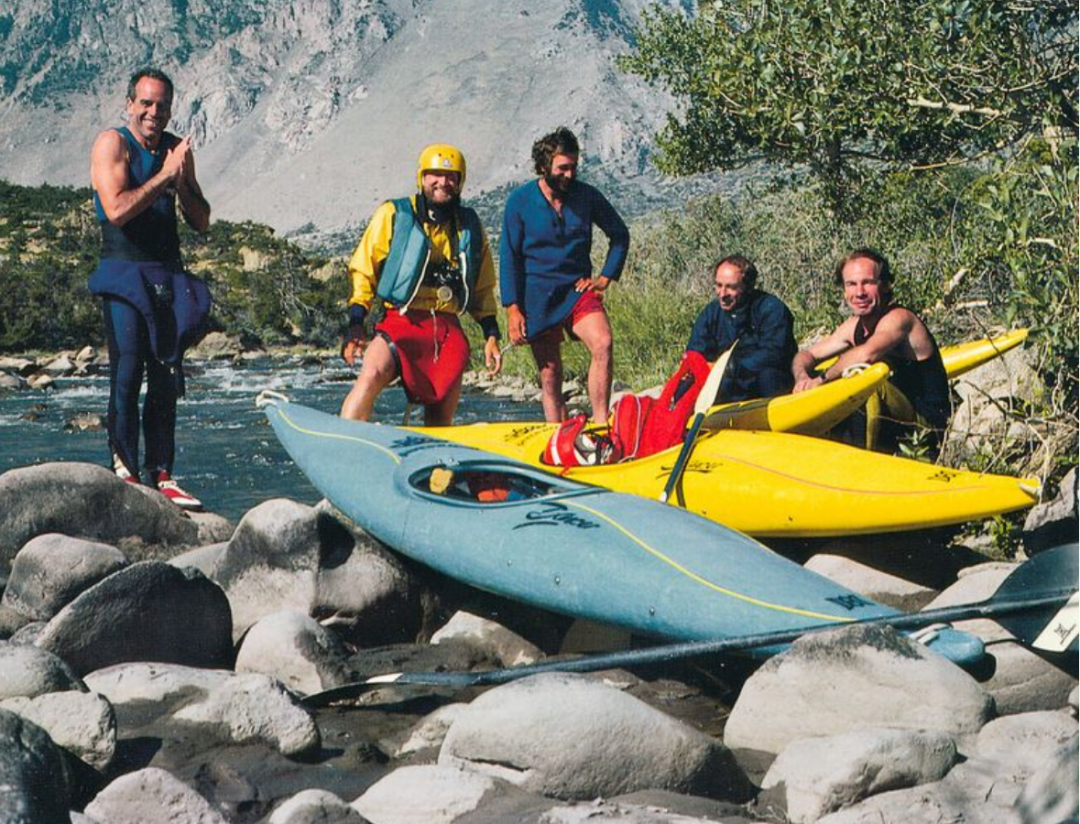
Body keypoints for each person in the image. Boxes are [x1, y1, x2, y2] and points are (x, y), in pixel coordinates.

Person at [89, 68, 212, 510]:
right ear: (130, 104)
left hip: (165, 276)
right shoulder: (112, 143)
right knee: (127, 372)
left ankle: (162, 474)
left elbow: (201, 220)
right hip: (124, 273)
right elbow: (117, 209)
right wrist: (163, 176)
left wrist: (181, 182)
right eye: (145, 103)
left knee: (165, 378)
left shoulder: (176, 151)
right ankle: (124, 469)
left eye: (161, 105)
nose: (153, 112)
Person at [340, 144, 502, 425]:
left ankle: (434, 464)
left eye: (451, 176)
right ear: (421, 178)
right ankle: (346, 443)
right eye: (434, 175)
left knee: (440, 414)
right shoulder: (394, 214)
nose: (442, 183)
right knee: (372, 375)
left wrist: (491, 334)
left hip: (447, 330)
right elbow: (364, 269)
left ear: (460, 182)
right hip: (402, 321)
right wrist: (357, 321)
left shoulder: (470, 226)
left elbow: (483, 287)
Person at [500, 127, 630, 424]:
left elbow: (619, 235)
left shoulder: (587, 196)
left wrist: (605, 277)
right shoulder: (519, 202)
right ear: (544, 166)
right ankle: (557, 437)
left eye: (574, 167)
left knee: (603, 343)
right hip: (537, 298)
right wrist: (512, 308)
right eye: (563, 168)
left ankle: (600, 425)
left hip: (577, 291)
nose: (570, 175)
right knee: (550, 375)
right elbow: (509, 257)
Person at [791, 247, 950, 449]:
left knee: (864, 382)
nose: (859, 292)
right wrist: (803, 378)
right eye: (851, 284)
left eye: (868, 283)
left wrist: (821, 380)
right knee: (829, 375)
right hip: (892, 422)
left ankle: (863, 458)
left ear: (883, 285)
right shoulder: (853, 326)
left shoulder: (899, 318)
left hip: (925, 430)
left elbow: (865, 354)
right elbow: (806, 354)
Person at [685, 255, 797, 403]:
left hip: (768, 382)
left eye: (731, 287)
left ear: (748, 287)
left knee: (768, 376)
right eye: (718, 285)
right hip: (730, 385)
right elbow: (695, 353)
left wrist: (731, 366)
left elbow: (775, 353)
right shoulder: (711, 314)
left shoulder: (771, 309)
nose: (722, 294)